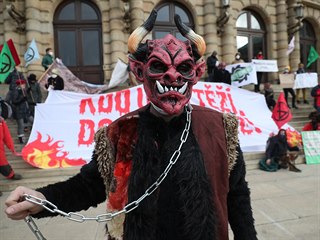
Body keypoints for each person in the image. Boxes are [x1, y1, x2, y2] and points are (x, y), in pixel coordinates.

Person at [5, 10, 257, 240]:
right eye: (158, 66)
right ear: (139, 71)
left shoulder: (220, 128)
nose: (172, 76)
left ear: (197, 73)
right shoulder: (119, 133)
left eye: (184, 68)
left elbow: (236, 195)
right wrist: (42, 199)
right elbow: (89, 186)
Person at [0, 116, 22, 196]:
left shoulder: (1, 122)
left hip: (0, 151)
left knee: (3, 165)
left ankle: (11, 175)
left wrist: (12, 148)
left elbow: (7, 136)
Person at [11, 79, 33, 144]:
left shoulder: (23, 90)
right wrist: (22, 99)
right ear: (20, 85)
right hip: (19, 110)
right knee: (21, 125)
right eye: (23, 84)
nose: (24, 85)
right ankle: (21, 138)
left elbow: (25, 97)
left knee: (32, 120)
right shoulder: (15, 91)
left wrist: (28, 92)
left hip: (25, 110)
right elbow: (14, 101)